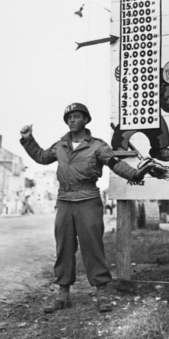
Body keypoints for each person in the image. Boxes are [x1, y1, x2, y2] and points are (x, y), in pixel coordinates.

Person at [20, 102, 151, 314]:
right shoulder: (61, 145)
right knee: (64, 246)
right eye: (69, 117)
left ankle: (101, 293)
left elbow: (115, 163)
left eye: (77, 116)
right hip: (64, 200)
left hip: (88, 199)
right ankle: (63, 294)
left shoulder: (98, 146)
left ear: (86, 120)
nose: (72, 120)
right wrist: (28, 140)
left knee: (92, 246)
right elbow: (42, 157)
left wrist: (135, 174)